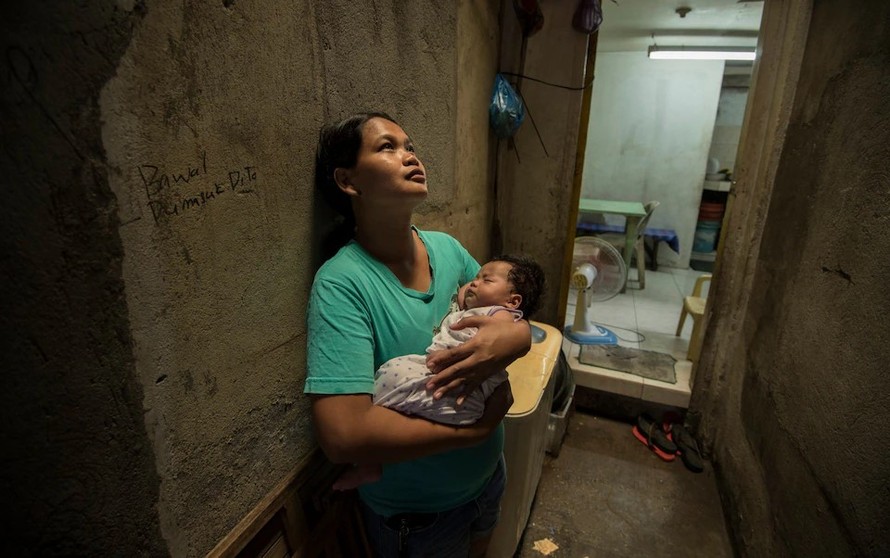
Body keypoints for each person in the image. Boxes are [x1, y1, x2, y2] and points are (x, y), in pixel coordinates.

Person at [304, 112, 532, 558]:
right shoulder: (342, 284)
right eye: (387, 147)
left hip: (487, 480)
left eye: (409, 145)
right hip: (421, 517)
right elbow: (343, 436)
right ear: (348, 181)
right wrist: (471, 434)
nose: (409, 155)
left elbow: (503, 310)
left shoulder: (445, 248)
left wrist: (517, 339)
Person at [333, 254, 545, 490]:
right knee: (389, 377)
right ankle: (370, 463)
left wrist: (522, 335)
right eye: (475, 277)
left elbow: (515, 329)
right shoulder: (479, 302)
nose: (474, 282)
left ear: (513, 301)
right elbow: (467, 292)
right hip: (437, 493)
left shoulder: (499, 314)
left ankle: (369, 464)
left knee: (390, 379)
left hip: (463, 390)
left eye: (486, 280)